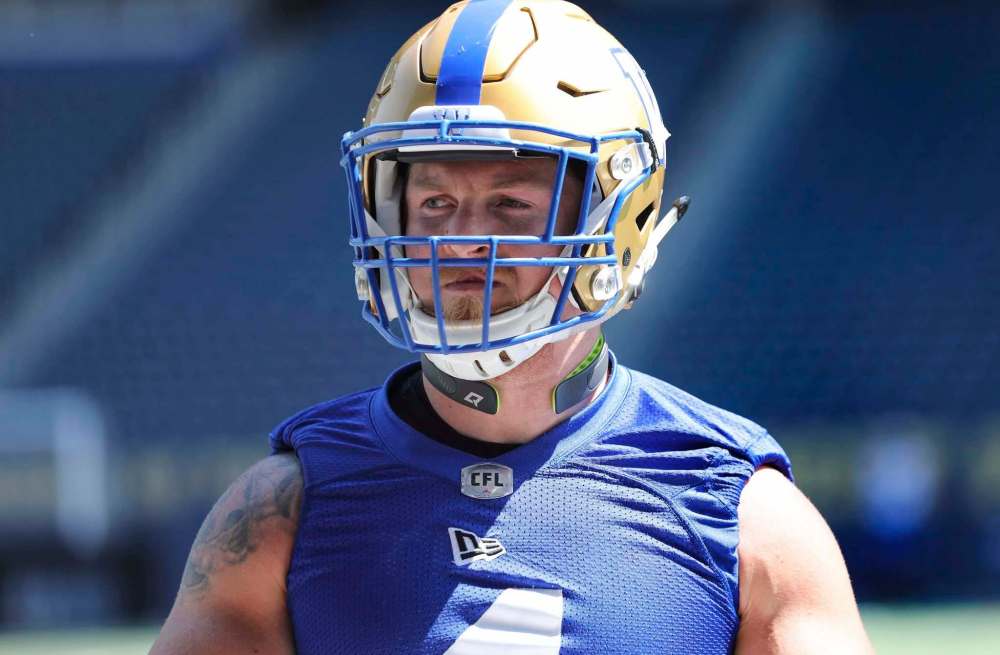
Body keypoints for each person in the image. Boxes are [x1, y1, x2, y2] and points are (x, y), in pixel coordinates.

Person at [151, 1, 874, 653]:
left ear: (617, 218)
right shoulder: (282, 512)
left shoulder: (744, 516)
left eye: (512, 204)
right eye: (434, 203)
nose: (462, 241)